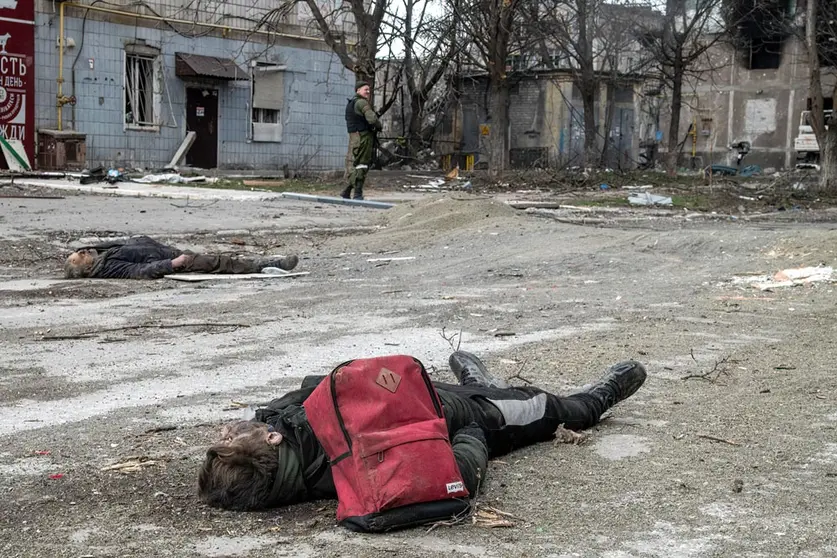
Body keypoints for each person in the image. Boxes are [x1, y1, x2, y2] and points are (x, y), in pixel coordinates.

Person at [198, 351, 647, 511]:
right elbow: (456, 475)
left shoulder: (281, 434)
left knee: (487, 393)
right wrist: (475, 435)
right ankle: (600, 398)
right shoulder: (349, 469)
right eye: (230, 437)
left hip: (425, 390)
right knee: (548, 407)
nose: (226, 429)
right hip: (465, 419)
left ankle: (477, 383)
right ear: (269, 443)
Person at [63, 235, 299, 280]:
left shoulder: (101, 253)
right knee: (216, 263)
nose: (82, 253)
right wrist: (171, 264)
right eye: (78, 258)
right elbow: (138, 271)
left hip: (164, 250)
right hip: (172, 260)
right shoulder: (108, 267)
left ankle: (258, 262)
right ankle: (267, 265)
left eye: (79, 252)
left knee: (214, 259)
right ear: (84, 271)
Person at [341, 80, 382, 201]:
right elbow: (372, 119)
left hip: (355, 137)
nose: (368, 92)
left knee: (357, 164)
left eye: (369, 90)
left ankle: (347, 191)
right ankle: (357, 194)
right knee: (362, 165)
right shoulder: (361, 103)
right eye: (366, 89)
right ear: (358, 90)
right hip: (364, 137)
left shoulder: (351, 103)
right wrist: (378, 126)